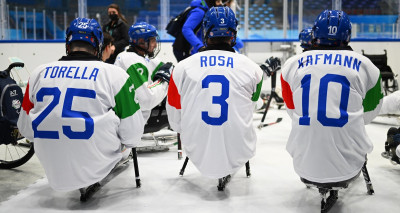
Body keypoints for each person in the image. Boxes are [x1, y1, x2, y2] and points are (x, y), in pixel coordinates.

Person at [17, 18, 145, 191]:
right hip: (98, 165)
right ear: (99, 45)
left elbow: (26, 130)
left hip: (51, 165)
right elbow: (133, 136)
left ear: (68, 45)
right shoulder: (116, 75)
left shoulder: (38, 73)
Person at [281, 10, 383, 184]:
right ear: (348, 36)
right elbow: (371, 111)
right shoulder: (366, 66)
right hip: (349, 166)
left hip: (302, 164)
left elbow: (292, 109)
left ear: (315, 34)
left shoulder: (291, 65)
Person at [166, 6, 264, 178]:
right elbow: (252, 107)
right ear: (233, 33)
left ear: (205, 31)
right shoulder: (253, 69)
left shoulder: (182, 67)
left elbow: (175, 118)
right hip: (240, 148)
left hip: (195, 146)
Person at [114, 22, 172, 123]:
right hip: (129, 122)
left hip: (127, 118)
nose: (155, 45)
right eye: (153, 40)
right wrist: (163, 81)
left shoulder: (132, 56)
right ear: (141, 42)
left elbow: (157, 64)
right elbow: (147, 100)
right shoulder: (133, 62)